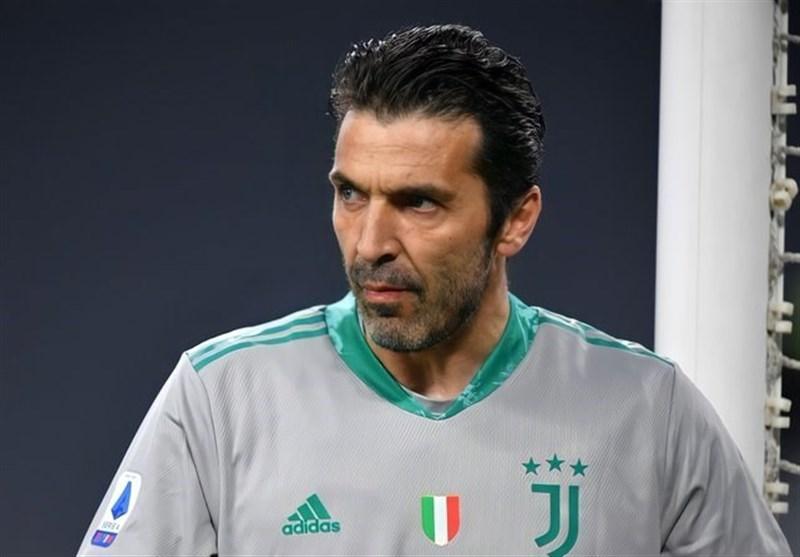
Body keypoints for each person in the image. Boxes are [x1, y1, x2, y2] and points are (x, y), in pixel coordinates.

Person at [77, 24, 791, 556]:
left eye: (418, 202)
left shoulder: (650, 412)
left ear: (515, 219)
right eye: (350, 194)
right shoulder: (220, 398)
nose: (369, 243)